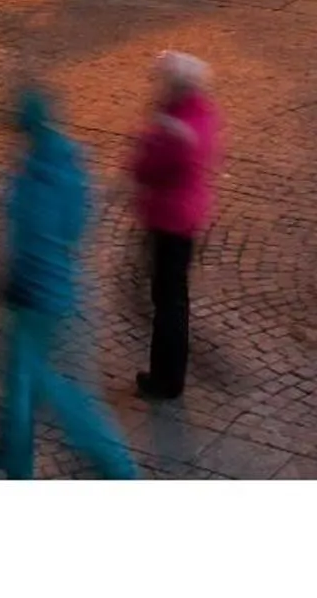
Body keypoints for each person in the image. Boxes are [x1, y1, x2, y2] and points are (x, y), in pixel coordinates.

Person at [0, 86, 138, 480]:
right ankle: (11, 467)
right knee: (28, 389)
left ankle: (116, 469)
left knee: (43, 392)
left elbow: (30, 237)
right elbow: (74, 227)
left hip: (33, 297)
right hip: (58, 289)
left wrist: (10, 275)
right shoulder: (69, 164)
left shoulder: (33, 176)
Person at [127, 51, 219, 402]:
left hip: (169, 219)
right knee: (172, 297)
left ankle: (165, 379)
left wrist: (151, 134)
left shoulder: (176, 131)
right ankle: (169, 374)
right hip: (186, 215)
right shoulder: (201, 114)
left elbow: (143, 167)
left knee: (168, 301)